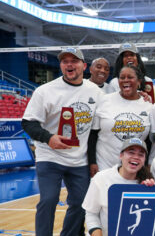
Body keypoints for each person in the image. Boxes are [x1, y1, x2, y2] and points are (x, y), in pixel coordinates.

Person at [21, 47, 102, 235]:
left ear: (84, 66)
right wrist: (49, 138)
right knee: (48, 199)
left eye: (74, 61)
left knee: (82, 203)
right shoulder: (45, 91)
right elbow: (28, 123)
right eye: (65, 61)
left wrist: (91, 160)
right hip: (50, 155)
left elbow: (95, 130)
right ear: (61, 66)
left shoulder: (95, 92)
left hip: (78, 159)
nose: (69, 64)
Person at [82, 138, 154, 236]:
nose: (136, 157)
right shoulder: (101, 178)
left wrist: (152, 193)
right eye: (131, 152)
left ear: (144, 160)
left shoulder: (148, 184)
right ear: (121, 155)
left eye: (141, 154)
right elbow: (91, 213)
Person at [88, 65, 152, 174]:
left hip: (134, 170)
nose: (125, 80)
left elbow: (148, 142)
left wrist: (145, 166)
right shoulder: (104, 100)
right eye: (122, 78)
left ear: (139, 82)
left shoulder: (148, 106)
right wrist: (92, 162)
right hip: (104, 165)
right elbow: (93, 134)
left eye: (130, 77)